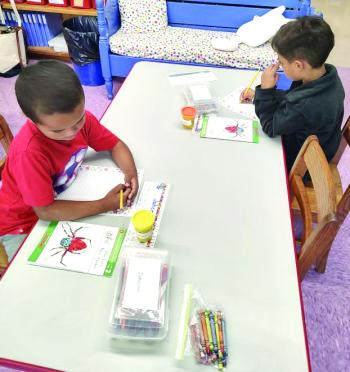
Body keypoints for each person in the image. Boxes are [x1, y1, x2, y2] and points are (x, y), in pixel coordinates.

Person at [0, 60, 138, 260]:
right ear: (30, 119)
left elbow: (116, 145)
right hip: (21, 224)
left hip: (61, 200)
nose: (72, 132)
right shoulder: (29, 153)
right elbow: (45, 211)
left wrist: (130, 175)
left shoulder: (79, 120)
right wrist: (104, 204)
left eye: (79, 120)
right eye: (58, 130)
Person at [241, 16, 345, 172]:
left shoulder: (303, 106)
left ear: (298, 65)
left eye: (282, 62)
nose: (279, 64)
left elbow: (270, 126)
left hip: (301, 168)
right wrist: (260, 94)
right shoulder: (328, 77)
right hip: (321, 151)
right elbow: (294, 97)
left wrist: (266, 90)